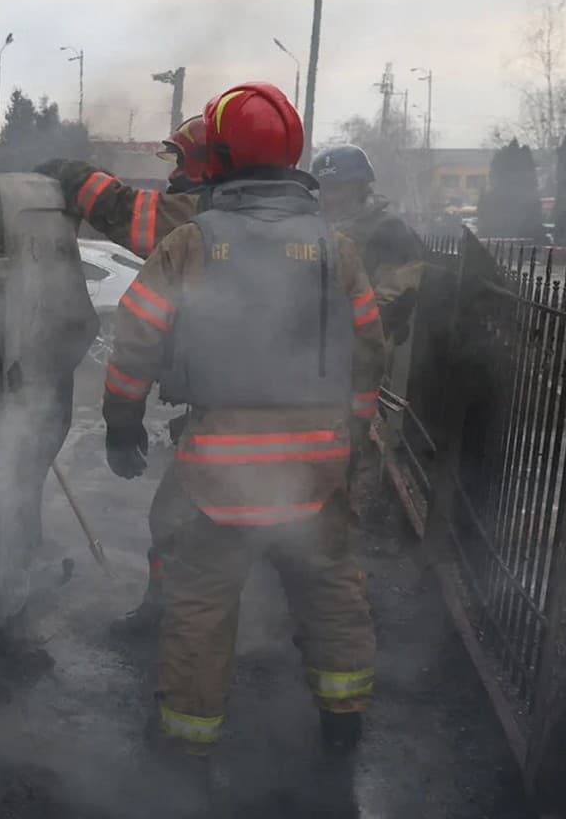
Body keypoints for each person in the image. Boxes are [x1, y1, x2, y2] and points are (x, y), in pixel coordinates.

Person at [95, 81, 389, 758]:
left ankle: (186, 743)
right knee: (331, 589)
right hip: (316, 466)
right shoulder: (333, 247)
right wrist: (355, 434)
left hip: (220, 469)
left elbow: (136, 335)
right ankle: (342, 718)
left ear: (220, 159)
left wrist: (122, 421)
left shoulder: (194, 242)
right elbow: (369, 347)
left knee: (200, 606)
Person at [40, 116, 217, 639]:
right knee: (305, 553)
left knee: (179, 525)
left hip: (226, 419)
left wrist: (72, 178)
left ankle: (173, 628)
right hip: (313, 423)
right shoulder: (305, 230)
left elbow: (129, 218)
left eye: (182, 162)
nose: (175, 174)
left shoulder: (205, 221)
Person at [310, 144, 427, 345]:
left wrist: (343, 336)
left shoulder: (391, 231)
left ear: (360, 187)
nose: (327, 198)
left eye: (336, 188)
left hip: (366, 351)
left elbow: (393, 300)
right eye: (323, 189)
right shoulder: (315, 226)